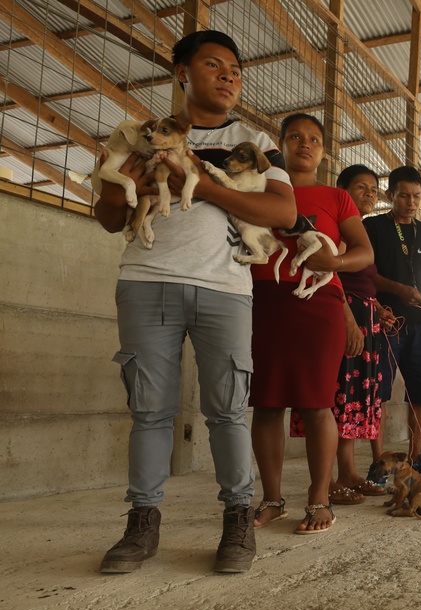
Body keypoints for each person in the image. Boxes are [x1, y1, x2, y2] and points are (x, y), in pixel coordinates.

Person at [93, 30, 297, 573]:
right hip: (145, 279)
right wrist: (120, 186)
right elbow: (112, 217)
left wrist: (204, 187)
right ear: (182, 72)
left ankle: (236, 519)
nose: (229, 75)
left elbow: (282, 213)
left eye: (235, 68)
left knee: (228, 411)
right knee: (149, 411)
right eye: (214, 65)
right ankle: (142, 523)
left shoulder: (254, 139)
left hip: (225, 287)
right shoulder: (145, 135)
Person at [249, 114, 373, 533]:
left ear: (324, 151)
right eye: (296, 137)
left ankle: (320, 498)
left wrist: (335, 262)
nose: (305, 144)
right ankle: (272, 498)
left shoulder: (338, 198)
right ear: (280, 144)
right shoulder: (258, 185)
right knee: (266, 403)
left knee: (319, 403)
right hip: (263, 299)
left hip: (320, 302)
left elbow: (363, 252)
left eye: (315, 140)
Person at [366, 166, 421, 470]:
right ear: (391, 195)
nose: (411, 202)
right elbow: (366, 274)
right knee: (378, 391)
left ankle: (416, 457)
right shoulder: (372, 227)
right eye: (404, 196)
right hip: (384, 321)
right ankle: (378, 462)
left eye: (416, 196)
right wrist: (398, 290)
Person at [327, 164, 395, 498]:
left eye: (373, 188)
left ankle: (349, 473)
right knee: (338, 397)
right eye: (360, 187)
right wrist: (350, 319)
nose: (368, 193)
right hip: (343, 314)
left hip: (365, 314)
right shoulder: (335, 228)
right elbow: (330, 274)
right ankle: (328, 481)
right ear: (342, 190)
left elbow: (364, 279)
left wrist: (378, 309)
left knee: (353, 398)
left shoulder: (357, 232)